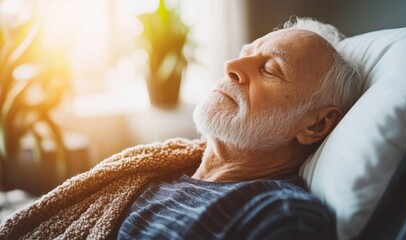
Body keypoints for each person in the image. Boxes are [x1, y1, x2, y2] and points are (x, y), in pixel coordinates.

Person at [117, 16, 362, 239]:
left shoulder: (281, 215)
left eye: (270, 69)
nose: (231, 66)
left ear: (316, 125)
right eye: (244, 54)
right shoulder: (148, 177)